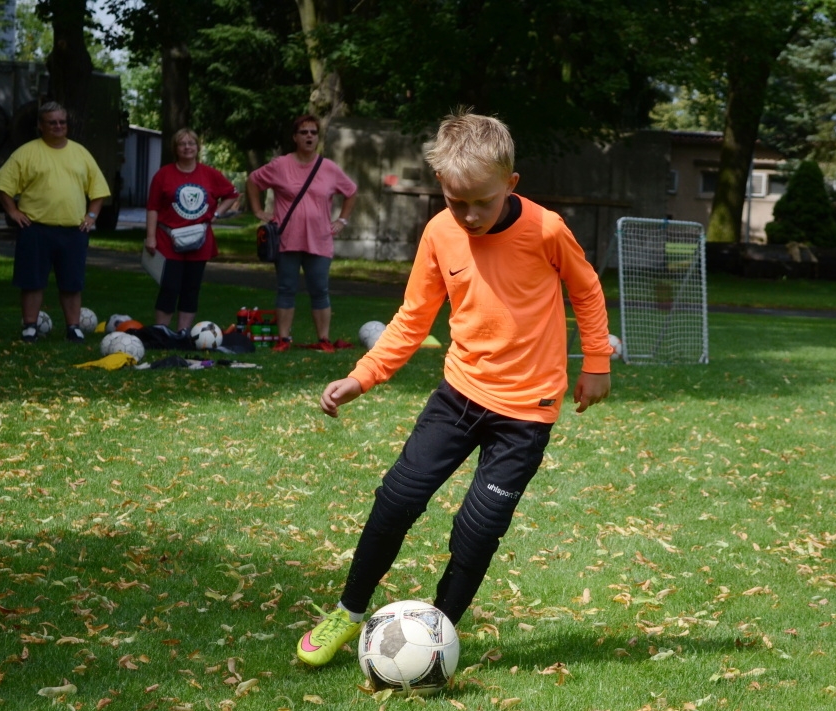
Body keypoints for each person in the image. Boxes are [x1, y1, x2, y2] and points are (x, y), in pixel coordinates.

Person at [295, 111, 613, 668]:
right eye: (454, 201)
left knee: (477, 529)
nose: (467, 215)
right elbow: (413, 317)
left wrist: (597, 363)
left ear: (511, 184)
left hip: (526, 411)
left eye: (481, 202)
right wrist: (363, 375)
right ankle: (348, 611)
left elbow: (586, 291)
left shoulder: (546, 229)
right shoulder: (441, 233)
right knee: (396, 499)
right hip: (458, 396)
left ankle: (437, 635)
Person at [0, 101, 111, 343]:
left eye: (62, 122)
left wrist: (91, 216)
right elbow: (2, 185)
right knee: (32, 281)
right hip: (35, 228)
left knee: (72, 283)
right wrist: (13, 211)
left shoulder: (81, 153)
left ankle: (73, 328)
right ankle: (30, 327)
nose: (58, 126)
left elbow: (98, 190)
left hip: (73, 230)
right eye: (52, 122)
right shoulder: (26, 152)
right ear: (40, 125)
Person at [246, 114, 357, 352]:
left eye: (313, 133)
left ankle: (323, 339)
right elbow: (253, 181)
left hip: (319, 240)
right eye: (304, 132)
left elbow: (351, 191)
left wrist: (342, 220)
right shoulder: (280, 165)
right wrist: (257, 211)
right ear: (295, 137)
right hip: (287, 239)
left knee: (320, 290)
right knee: (286, 289)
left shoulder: (328, 168)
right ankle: (283, 339)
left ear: (317, 138)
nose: (309, 136)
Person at [144, 128, 239, 337]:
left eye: (191, 143)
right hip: (168, 239)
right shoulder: (163, 175)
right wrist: (150, 236)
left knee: (191, 287)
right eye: (182, 144)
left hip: (199, 240)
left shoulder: (209, 174)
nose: (187, 147)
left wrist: (216, 213)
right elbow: (153, 207)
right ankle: (161, 332)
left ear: (197, 147)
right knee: (169, 286)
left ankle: (183, 332)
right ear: (175, 148)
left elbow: (232, 194)